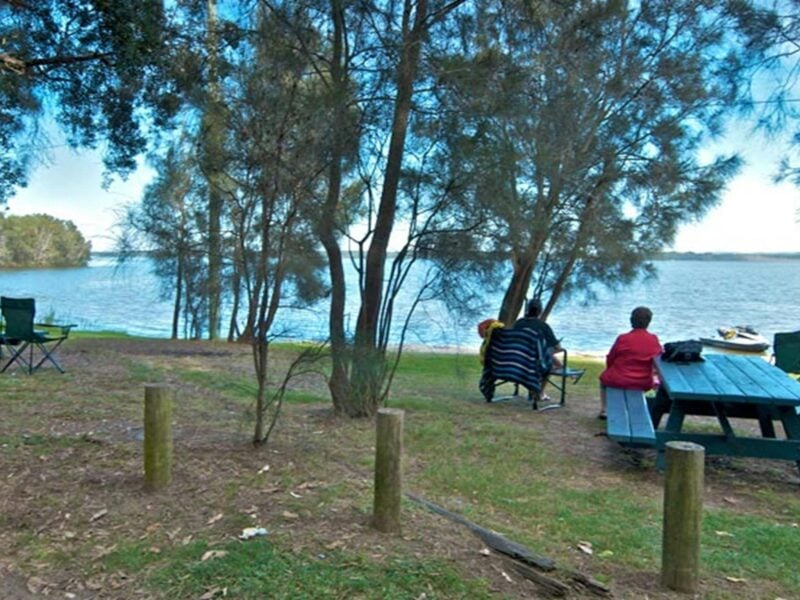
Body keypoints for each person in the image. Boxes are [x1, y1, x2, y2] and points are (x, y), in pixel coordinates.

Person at [597, 306, 662, 420]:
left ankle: (605, 409)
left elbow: (611, 357)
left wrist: (610, 369)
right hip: (643, 381)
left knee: (604, 379)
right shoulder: (653, 339)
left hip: (619, 378)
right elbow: (657, 359)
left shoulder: (623, 338)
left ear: (631, 320)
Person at [512, 298, 563, 401]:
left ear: (528, 309)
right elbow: (558, 348)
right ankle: (539, 392)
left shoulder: (518, 323)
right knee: (546, 361)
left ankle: (534, 389)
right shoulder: (542, 326)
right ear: (540, 311)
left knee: (542, 355)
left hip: (517, 361)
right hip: (533, 364)